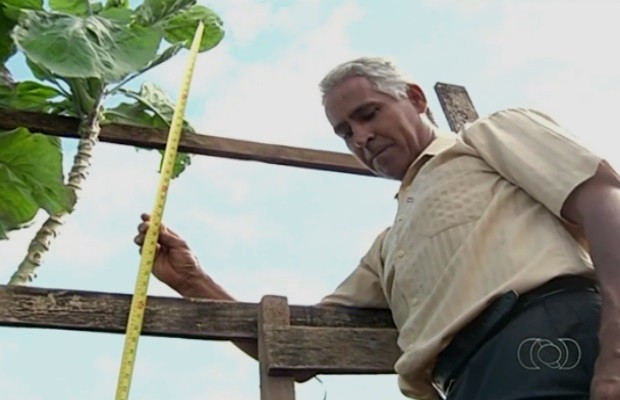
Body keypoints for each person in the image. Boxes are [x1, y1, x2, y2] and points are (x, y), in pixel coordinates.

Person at [134, 57, 620, 400]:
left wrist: (615, 351)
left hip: (550, 342)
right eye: (345, 132)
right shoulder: (387, 250)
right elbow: (302, 352)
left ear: (413, 98)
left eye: (368, 114)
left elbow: (604, 201)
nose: (361, 137)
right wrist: (193, 283)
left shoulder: (485, 138)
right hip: (464, 382)